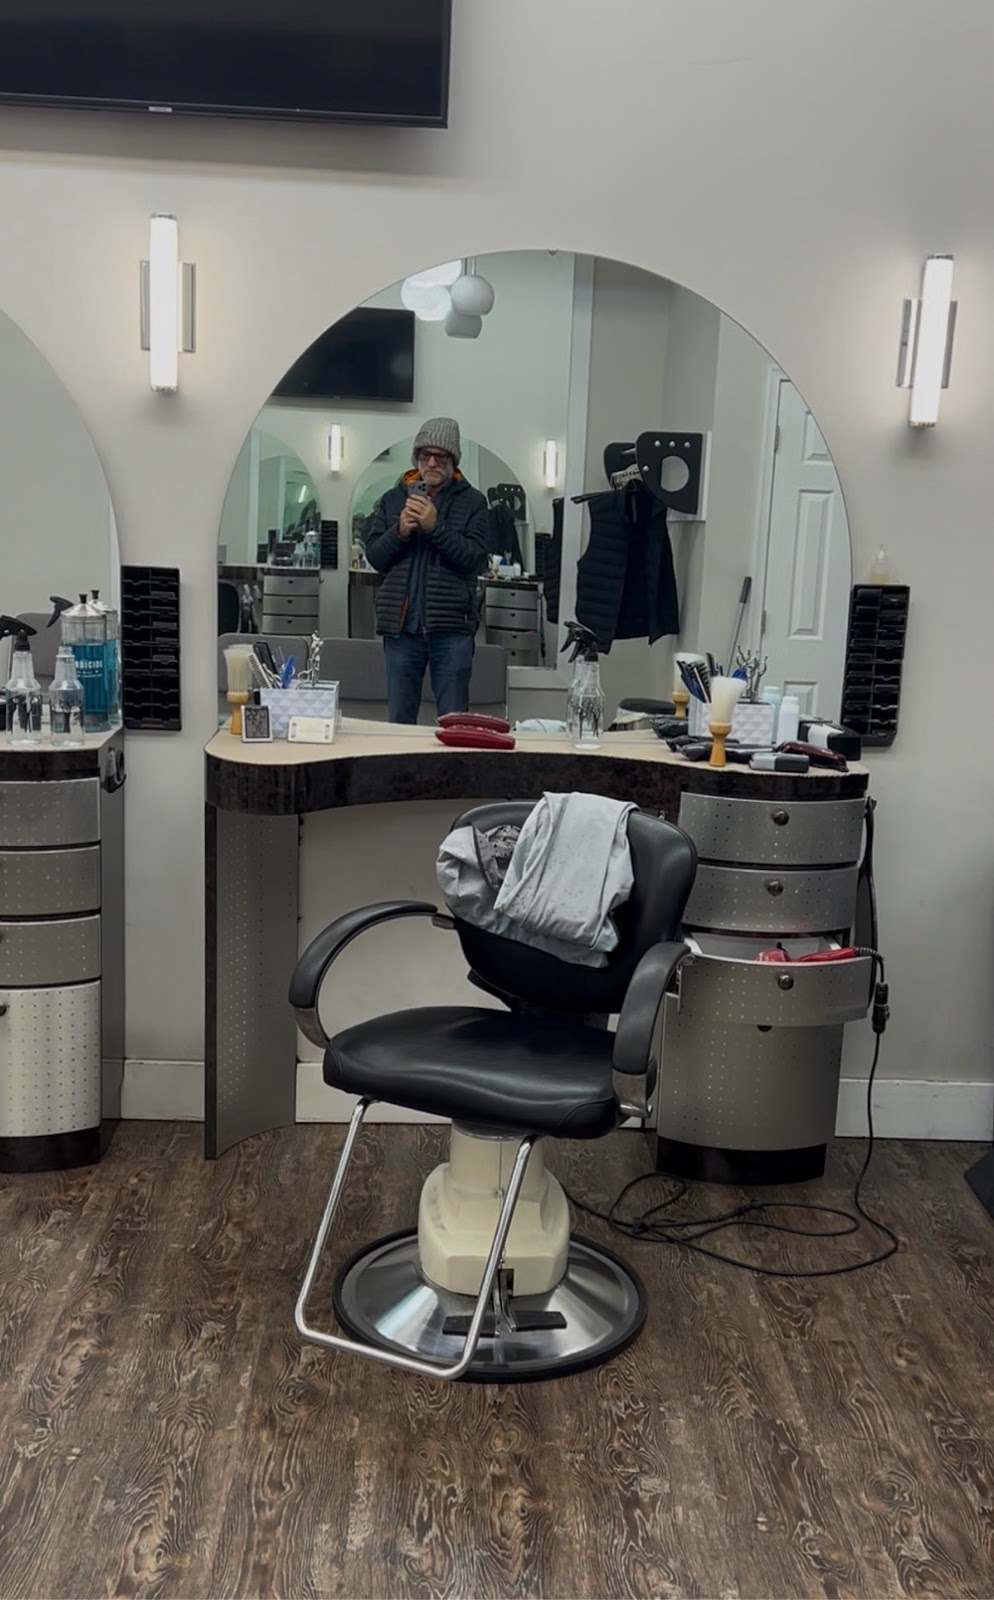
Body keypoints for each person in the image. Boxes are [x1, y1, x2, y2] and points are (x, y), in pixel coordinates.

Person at [363, 418, 490, 723]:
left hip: (452, 630)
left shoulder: (474, 502)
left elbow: (475, 559)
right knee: (399, 721)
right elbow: (375, 558)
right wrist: (399, 532)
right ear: (416, 457)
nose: (431, 463)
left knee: (453, 721)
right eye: (424, 455)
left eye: (441, 456)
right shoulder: (392, 499)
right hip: (401, 629)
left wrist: (436, 528)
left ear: (453, 460)